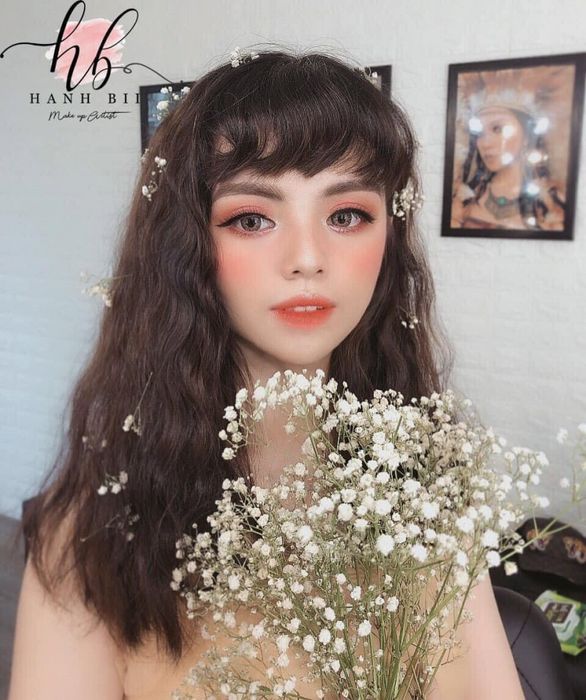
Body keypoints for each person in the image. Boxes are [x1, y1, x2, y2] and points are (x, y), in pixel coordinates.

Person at [8, 45, 527, 699]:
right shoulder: (91, 539)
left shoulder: (428, 496)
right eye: (252, 219)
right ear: (186, 246)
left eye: (346, 216)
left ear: (389, 240)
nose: (307, 257)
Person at [451, 71, 567, 231]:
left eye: (497, 129)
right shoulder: (462, 199)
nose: (485, 143)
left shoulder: (552, 203)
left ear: (526, 135)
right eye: (479, 134)